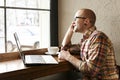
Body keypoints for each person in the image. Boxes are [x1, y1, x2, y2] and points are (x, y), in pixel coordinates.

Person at [58, 8, 119, 80]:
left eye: (75, 18)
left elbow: (91, 70)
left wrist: (68, 57)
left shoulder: (98, 37)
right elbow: (65, 48)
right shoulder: (86, 40)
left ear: (86, 21)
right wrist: (70, 30)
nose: (73, 22)